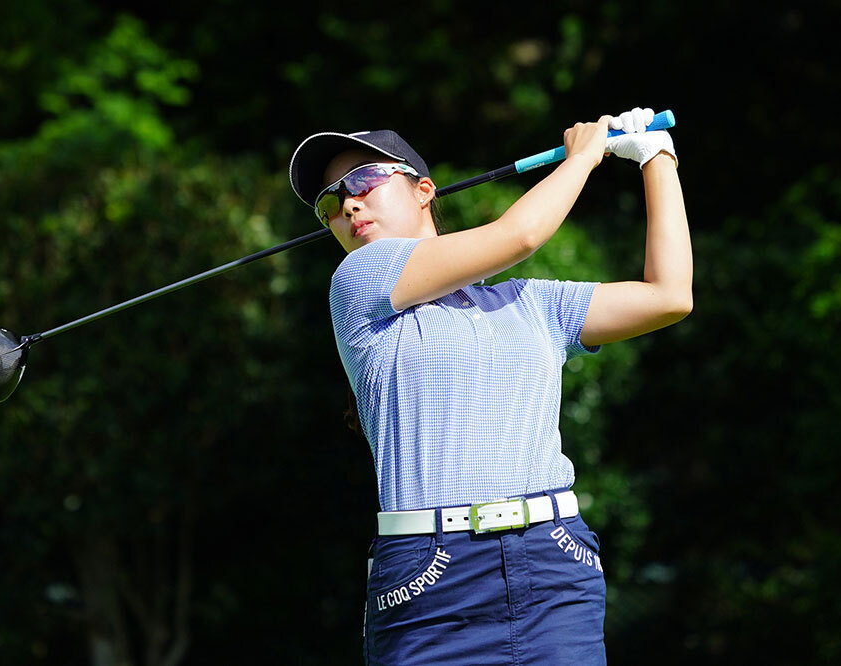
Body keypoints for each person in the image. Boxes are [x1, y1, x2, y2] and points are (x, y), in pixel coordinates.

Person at [287, 108, 690, 664]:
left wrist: (656, 156)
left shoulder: (532, 303)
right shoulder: (358, 280)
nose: (348, 204)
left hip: (554, 560)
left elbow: (669, 296)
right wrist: (583, 158)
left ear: (423, 190)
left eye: (364, 180)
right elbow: (519, 235)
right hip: (431, 576)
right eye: (329, 203)